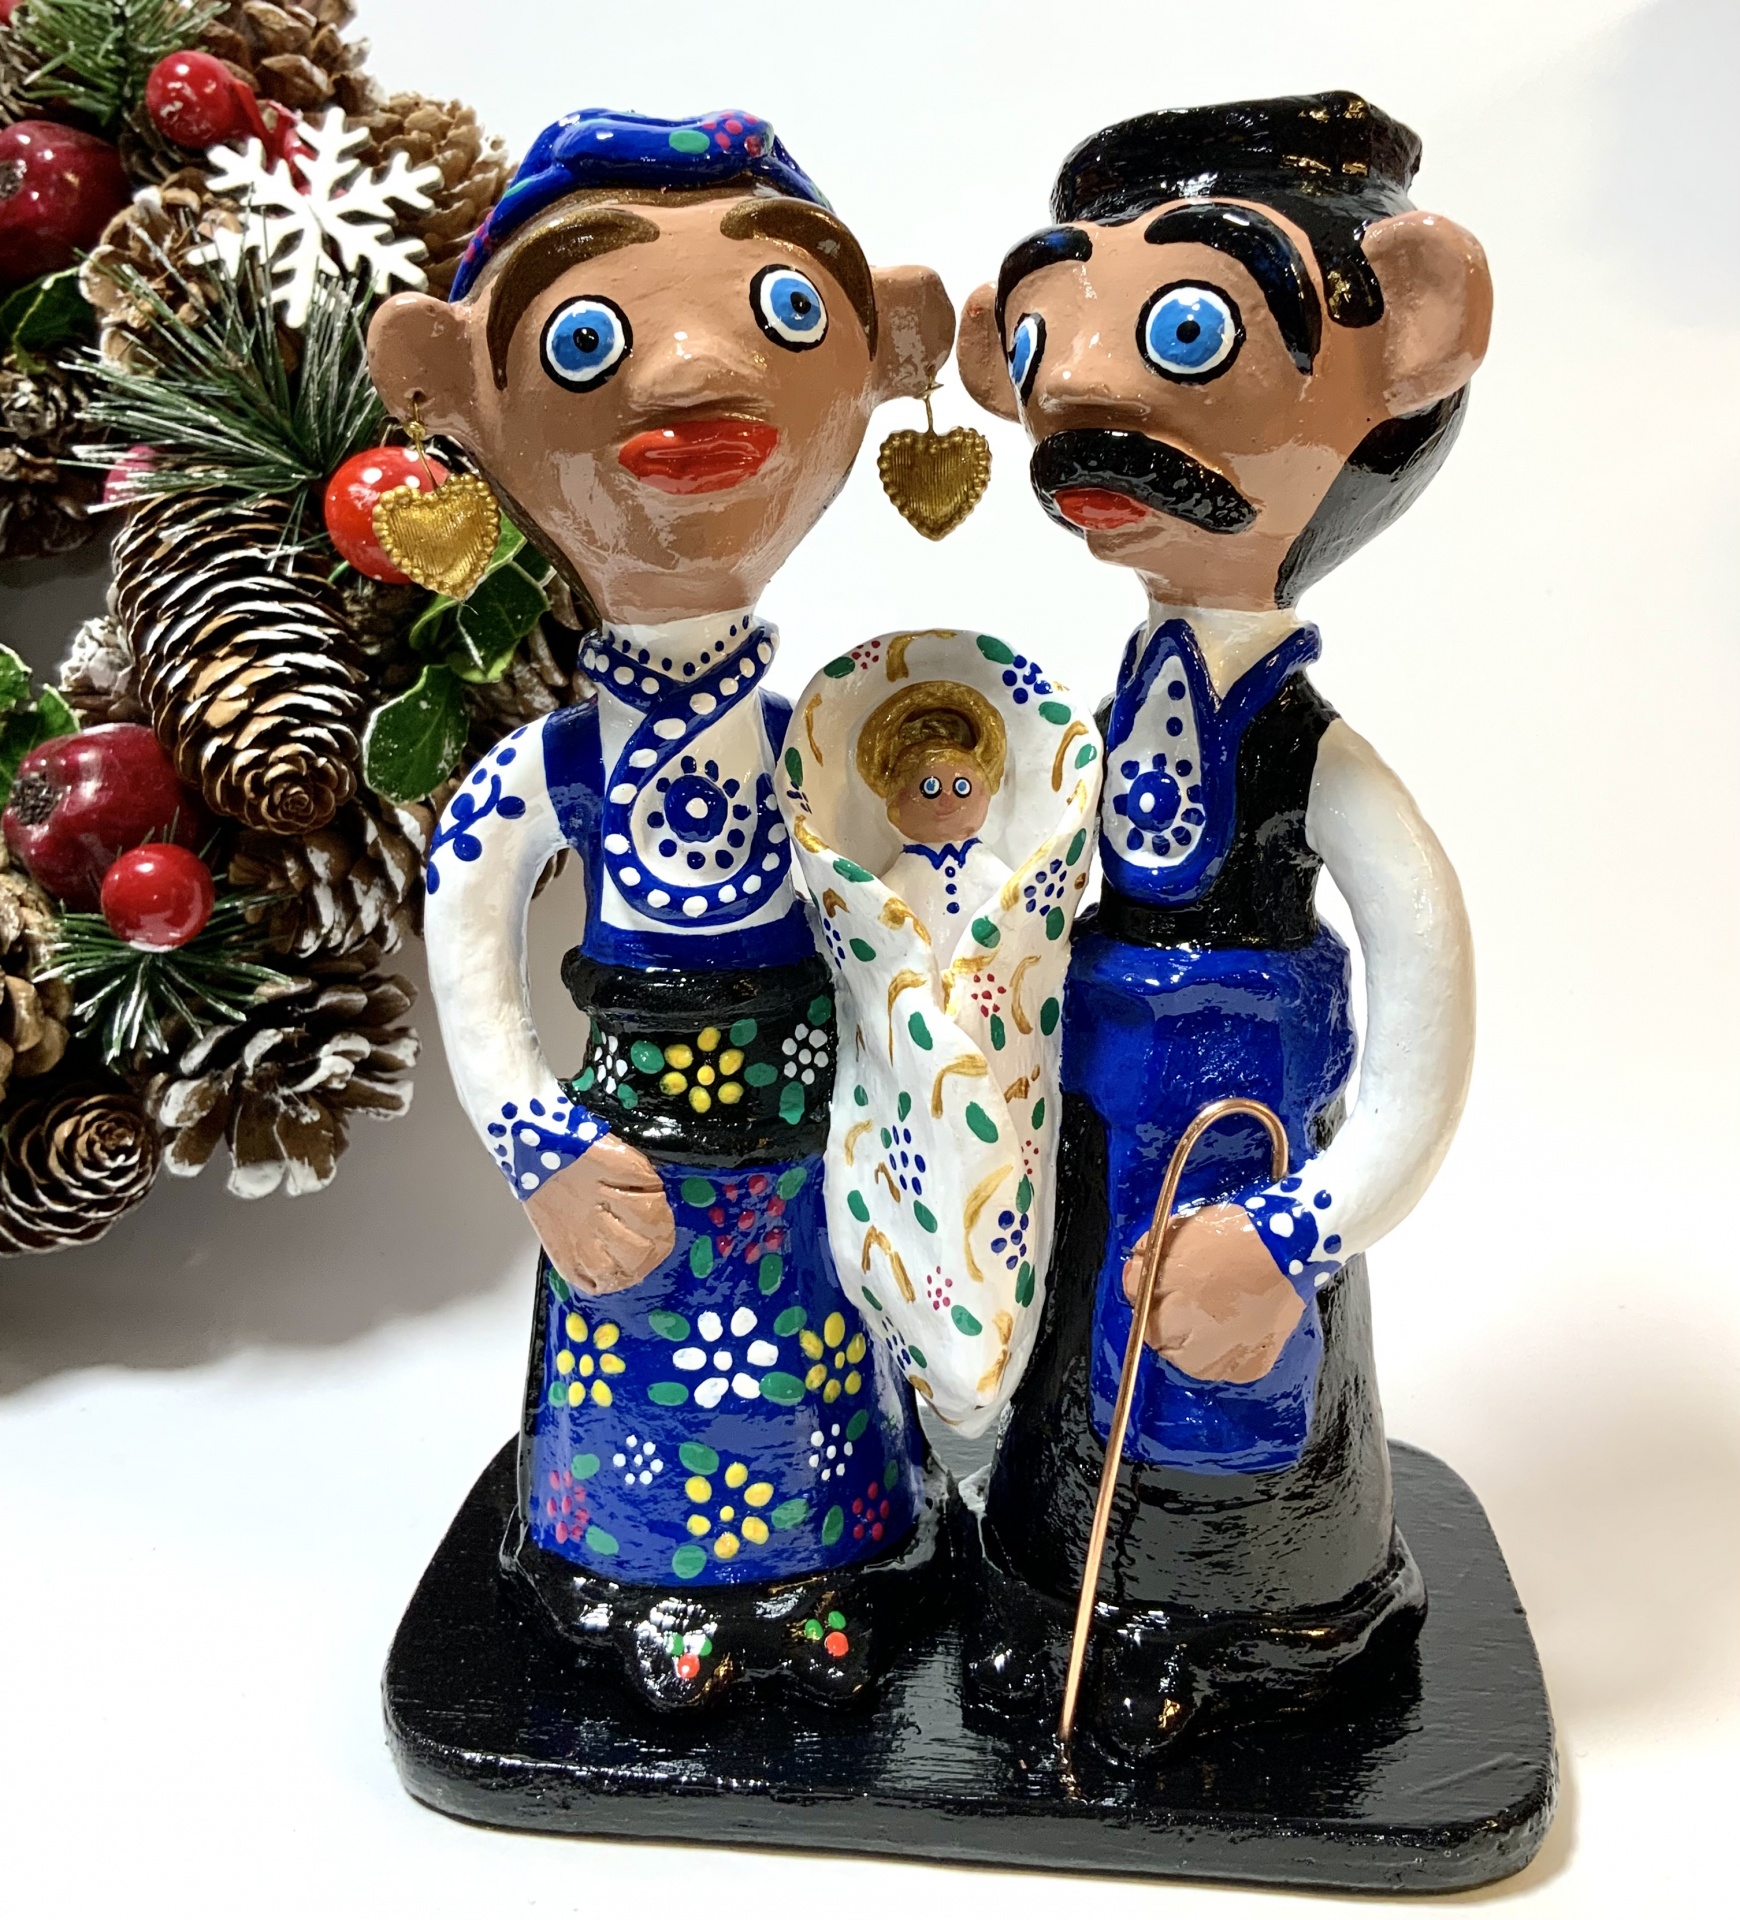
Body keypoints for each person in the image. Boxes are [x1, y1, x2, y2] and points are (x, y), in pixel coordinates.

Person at [367, 107, 955, 1711]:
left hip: (816, 1136)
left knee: (820, 1352)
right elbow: (469, 957)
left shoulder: (832, 745)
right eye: (586, 337)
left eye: (785, 311)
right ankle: (631, 1572)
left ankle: (835, 1561)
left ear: (891, 353)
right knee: (639, 1358)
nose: (695, 372)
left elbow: (914, 928)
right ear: (445, 386)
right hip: (625, 1154)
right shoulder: (548, 772)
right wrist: (538, 1147)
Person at [952, 91, 1489, 1758]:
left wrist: (1303, 1229)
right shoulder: (1103, 710)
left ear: (1415, 340)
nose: (1086, 389)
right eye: (1045, 340)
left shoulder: (1314, 762)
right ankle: (1060, 1591)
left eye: (1186, 328)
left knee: (1227, 1405)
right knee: (1086, 1390)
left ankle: (1253, 1627)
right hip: (1092, 1137)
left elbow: (1425, 1018)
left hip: (1239, 1147)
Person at [859, 680, 1012, 937]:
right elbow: (886, 902)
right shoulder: (908, 871)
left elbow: (1011, 890)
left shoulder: (983, 863)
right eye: (930, 788)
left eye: (962, 787)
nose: (947, 799)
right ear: (896, 802)